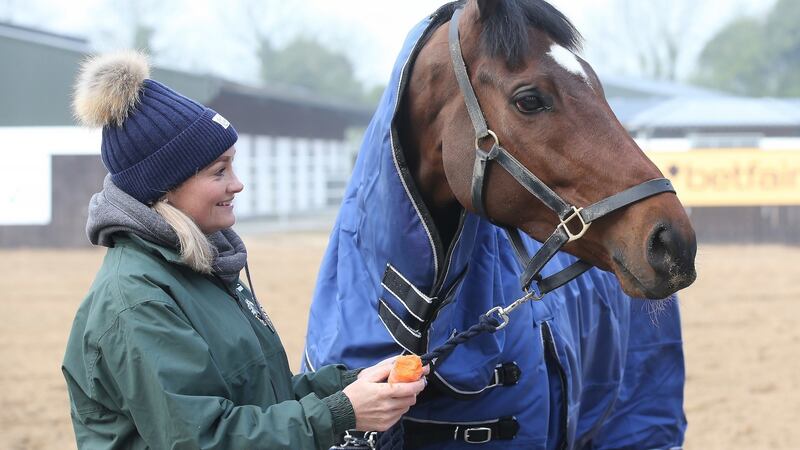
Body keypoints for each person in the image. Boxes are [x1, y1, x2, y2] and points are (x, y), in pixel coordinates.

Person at [61, 50, 426, 450]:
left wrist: (352, 384)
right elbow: (205, 439)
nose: (237, 184)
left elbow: (262, 396)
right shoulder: (136, 301)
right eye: (219, 171)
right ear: (164, 188)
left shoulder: (201, 270)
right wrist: (340, 412)